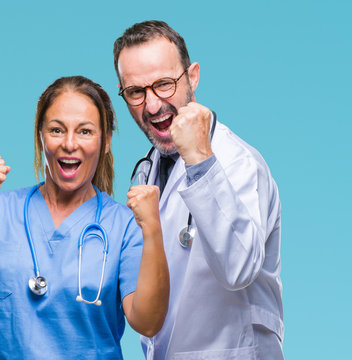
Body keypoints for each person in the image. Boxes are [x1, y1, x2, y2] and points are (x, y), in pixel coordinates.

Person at [0, 76, 169, 359]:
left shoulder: (124, 226)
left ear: (105, 141)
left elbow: (147, 323)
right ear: (40, 136)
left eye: (85, 132)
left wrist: (153, 229)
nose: (69, 144)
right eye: (57, 130)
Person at [113, 21, 283, 359]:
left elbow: (239, 268)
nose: (151, 105)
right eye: (135, 92)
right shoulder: (145, 173)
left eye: (163, 84)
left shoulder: (238, 161)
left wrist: (200, 160)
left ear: (192, 77)